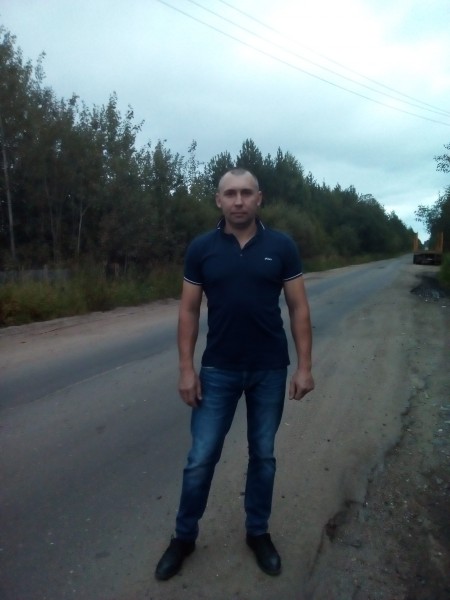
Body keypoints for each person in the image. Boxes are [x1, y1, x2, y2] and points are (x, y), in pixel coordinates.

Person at [155, 168, 314, 581]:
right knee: (200, 458)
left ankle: (257, 532)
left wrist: (304, 367)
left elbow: (298, 308)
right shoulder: (202, 249)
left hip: (269, 369)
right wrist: (186, 369)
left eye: (246, 193)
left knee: (263, 455)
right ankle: (183, 537)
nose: (238, 200)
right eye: (230, 193)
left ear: (259, 198)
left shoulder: (281, 246)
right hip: (218, 370)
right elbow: (189, 310)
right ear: (218, 200)